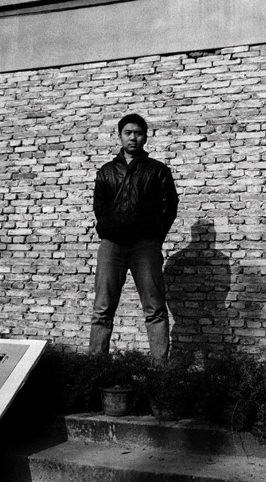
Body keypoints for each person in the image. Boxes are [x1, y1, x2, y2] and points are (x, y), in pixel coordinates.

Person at [89, 114, 179, 359]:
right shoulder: (106, 172)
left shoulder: (158, 170)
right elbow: (100, 208)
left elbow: (169, 207)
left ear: (145, 137)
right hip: (111, 247)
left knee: (155, 308)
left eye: (138, 133)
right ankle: (95, 368)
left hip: (145, 246)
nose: (133, 138)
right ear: (119, 136)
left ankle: (159, 370)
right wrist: (109, 229)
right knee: (102, 309)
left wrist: (154, 237)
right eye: (128, 133)